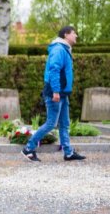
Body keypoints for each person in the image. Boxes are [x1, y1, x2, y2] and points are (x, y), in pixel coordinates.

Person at [21, 26, 86, 163]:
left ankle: (68, 153)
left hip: (62, 93)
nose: (76, 36)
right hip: (55, 93)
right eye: (74, 33)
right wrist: (56, 91)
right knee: (51, 123)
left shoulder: (64, 49)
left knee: (64, 124)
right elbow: (54, 70)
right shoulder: (58, 49)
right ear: (66, 35)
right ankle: (28, 148)